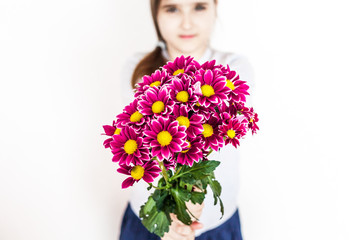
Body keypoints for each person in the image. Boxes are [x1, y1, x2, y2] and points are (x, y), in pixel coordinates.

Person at [119, 0, 254, 239]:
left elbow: (216, 146)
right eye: (172, 8)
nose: (187, 22)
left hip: (215, 226)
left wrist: (190, 203)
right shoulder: (138, 70)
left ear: (215, 8)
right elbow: (140, 149)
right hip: (151, 223)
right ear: (155, 14)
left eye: (199, 6)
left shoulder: (233, 69)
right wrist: (169, 215)